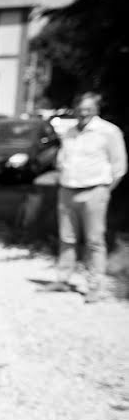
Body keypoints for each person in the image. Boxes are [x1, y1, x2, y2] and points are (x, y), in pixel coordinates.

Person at [50, 92, 127, 303]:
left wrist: (104, 191)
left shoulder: (109, 132)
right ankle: (63, 278)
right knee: (67, 238)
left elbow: (119, 168)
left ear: (96, 110)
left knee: (94, 241)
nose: (83, 113)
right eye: (80, 109)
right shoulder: (70, 132)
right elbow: (61, 160)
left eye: (88, 109)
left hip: (94, 191)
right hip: (67, 190)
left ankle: (95, 286)